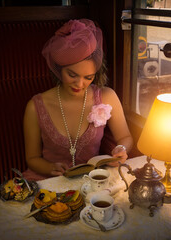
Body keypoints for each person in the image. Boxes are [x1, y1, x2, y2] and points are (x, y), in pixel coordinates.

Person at [22, 19, 133, 181]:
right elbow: (32, 159)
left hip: (91, 181)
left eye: (88, 77)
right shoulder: (35, 106)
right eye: (72, 75)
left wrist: (121, 149)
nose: (80, 84)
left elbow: (125, 137)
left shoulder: (107, 96)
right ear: (59, 70)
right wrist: (50, 167)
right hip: (48, 182)